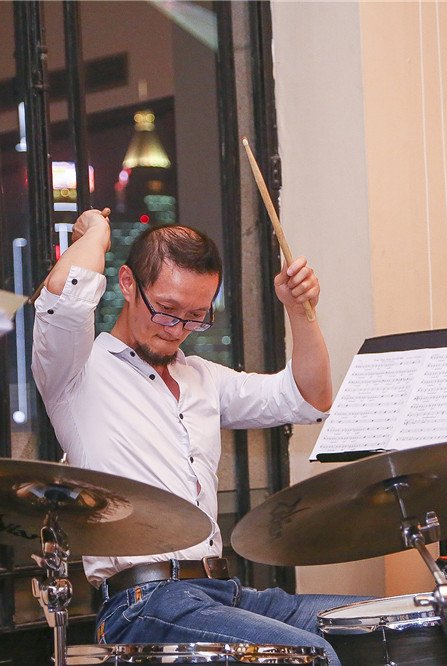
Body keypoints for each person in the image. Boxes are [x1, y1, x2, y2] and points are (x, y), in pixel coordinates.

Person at [32, 208, 363, 664]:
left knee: (374, 624)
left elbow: (308, 398)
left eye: (194, 317)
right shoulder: (75, 372)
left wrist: (299, 310)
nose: (176, 330)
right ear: (127, 283)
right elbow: (65, 300)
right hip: (143, 604)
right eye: (166, 310)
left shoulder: (202, 377)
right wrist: (96, 232)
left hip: (222, 591)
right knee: (307, 654)